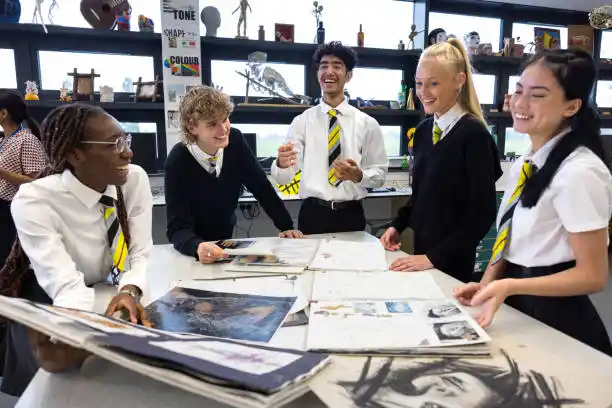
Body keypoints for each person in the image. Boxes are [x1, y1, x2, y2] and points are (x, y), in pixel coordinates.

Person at [454, 49, 612, 356]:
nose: (520, 104)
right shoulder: (528, 160)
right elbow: (510, 238)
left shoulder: (580, 172)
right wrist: (488, 282)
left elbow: (593, 276)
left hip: (556, 316)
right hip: (515, 300)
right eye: (518, 91)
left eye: (537, 95)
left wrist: (510, 286)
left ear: (571, 106)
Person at [0, 103, 153, 396]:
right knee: (55, 392)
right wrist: (77, 334)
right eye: (114, 144)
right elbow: (63, 283)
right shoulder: (35, 199)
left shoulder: (133, 179)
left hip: (100, 293)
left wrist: (129, 289)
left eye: (126, 140)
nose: (128, 152)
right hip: (50, 304)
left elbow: (140, 251)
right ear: (74, 154)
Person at [380, 39, 502, 283]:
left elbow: (483, 213)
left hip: (452, 262)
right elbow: (423, 194)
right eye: (419, 84)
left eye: (433, 84)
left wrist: (434, 258)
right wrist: (397, 225)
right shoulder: (424, 131)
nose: (423, 92)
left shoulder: (474, 135)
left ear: (459, 81)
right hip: (422, 256)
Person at [165, 86, 302, 264]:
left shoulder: (235, 141)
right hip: (193, 252)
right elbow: (177, 228)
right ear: (192, 127)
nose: (223, 130)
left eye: (225, 119)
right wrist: (197, 247)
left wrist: (286, 226)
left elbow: (261, 187)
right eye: (212, 124)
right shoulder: (178, 161)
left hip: (226, 245)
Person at [271, 41, 389, 234]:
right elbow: (284, 179)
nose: (329, 71)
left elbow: (380, 175)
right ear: (318, 74)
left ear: (348, 75)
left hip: (351, 214)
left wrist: (359, 176)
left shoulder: (368, 124)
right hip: (312, 214)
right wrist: (282, 165)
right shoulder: (301, 122)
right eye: (324, 66)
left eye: (337, 66)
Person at [0, 91, 48, 266]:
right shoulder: (4, 140)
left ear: (4, 114)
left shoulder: (27, 140)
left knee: (8, 260)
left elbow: (37, 182)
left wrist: (2, 173)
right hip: (3, 209)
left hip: (13, 210)